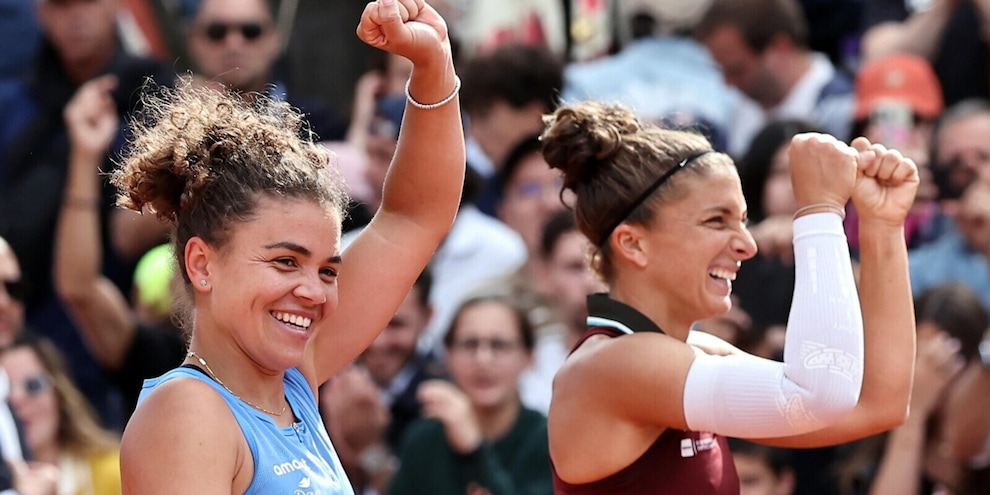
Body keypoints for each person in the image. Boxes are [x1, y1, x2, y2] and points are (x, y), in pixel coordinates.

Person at [116, 1, 465, 493]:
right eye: (285, 262)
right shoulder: (187, 413)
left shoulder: (294, 382)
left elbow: (415, 216)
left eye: (327, 270)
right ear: (202, 264)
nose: (314, 291)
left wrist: (432, 66)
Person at [540, 101, 918, 493]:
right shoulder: (613, 367)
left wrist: (882, 225)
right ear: (633, 244)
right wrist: (820, 211)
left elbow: (877, 403)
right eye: (716, 221)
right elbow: (818, 395)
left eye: (743, 220)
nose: (747, 245)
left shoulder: (693, 351)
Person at [54, 75, 187, 419]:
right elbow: (78, 287)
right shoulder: (157, 359)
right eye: (181, 258)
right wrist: (85, 155)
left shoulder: (279, 351)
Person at [386, 292, 553, 495]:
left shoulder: (548, 441)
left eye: (499, 345)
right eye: (469, 344)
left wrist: (475, 449)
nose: (483, 360)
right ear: (448, 355)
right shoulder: (422, 441)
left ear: (528, 357)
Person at [694, 0, 855, 157]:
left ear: (780, 47)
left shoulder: (841, 111)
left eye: (737, 70)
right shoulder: (736, 110)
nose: (728, 82)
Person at [1, 333, 122, 495]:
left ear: (60, 393)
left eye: (33, 385)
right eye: (4, 394)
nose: (17, 400)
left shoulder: (114, 471)